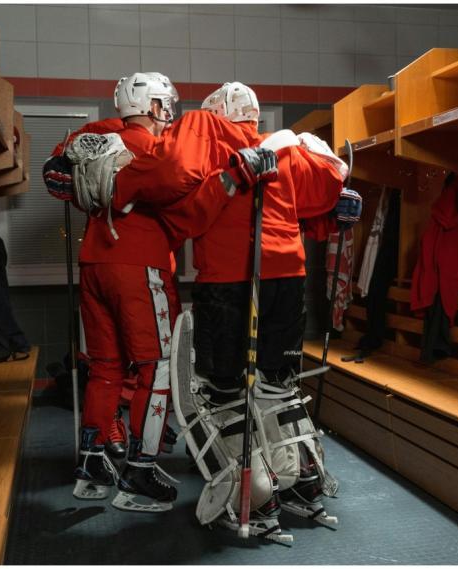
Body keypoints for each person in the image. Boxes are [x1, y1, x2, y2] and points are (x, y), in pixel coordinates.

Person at [71, 82, 361, 541]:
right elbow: (324, 198)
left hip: (230, 279)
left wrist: (121, 185)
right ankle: (302, 482)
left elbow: (170, 172)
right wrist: (335, 212)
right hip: (288, 279)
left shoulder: (205, 130)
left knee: (224, 391)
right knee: (277, 386)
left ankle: (255, 496)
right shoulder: (285, 147)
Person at [43, 72, 182, 513]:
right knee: (156, 368)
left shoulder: (99, 137)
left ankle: (92, 465)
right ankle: (140, 471)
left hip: (94, 262)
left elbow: (56, 165)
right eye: (166, 106)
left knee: (104, 366)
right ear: (156, 107)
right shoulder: (157, 148)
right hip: (139, 264)